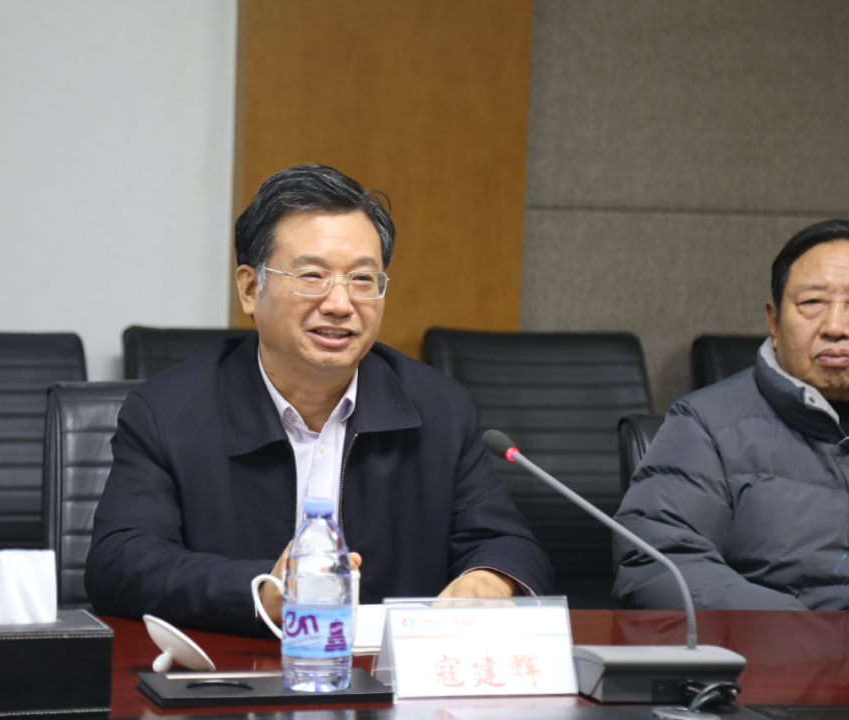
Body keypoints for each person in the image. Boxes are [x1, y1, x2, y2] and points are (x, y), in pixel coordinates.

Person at [86, 164, 553, 634]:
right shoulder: (168, 413)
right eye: (312, 275)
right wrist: (264, 590)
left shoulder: (439, 410)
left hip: (387, 672)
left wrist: (489, 581)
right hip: (239, 668)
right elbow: (121, 563)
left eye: (363, 279)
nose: (340, 304)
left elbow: (508, 544)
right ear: (250, 289)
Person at [614, 219, 849, 611]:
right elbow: (658, 565)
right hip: (776, 647)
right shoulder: (705, 425)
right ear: (774, 322)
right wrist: (803, 632)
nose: (836, 327)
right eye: (812, 302)